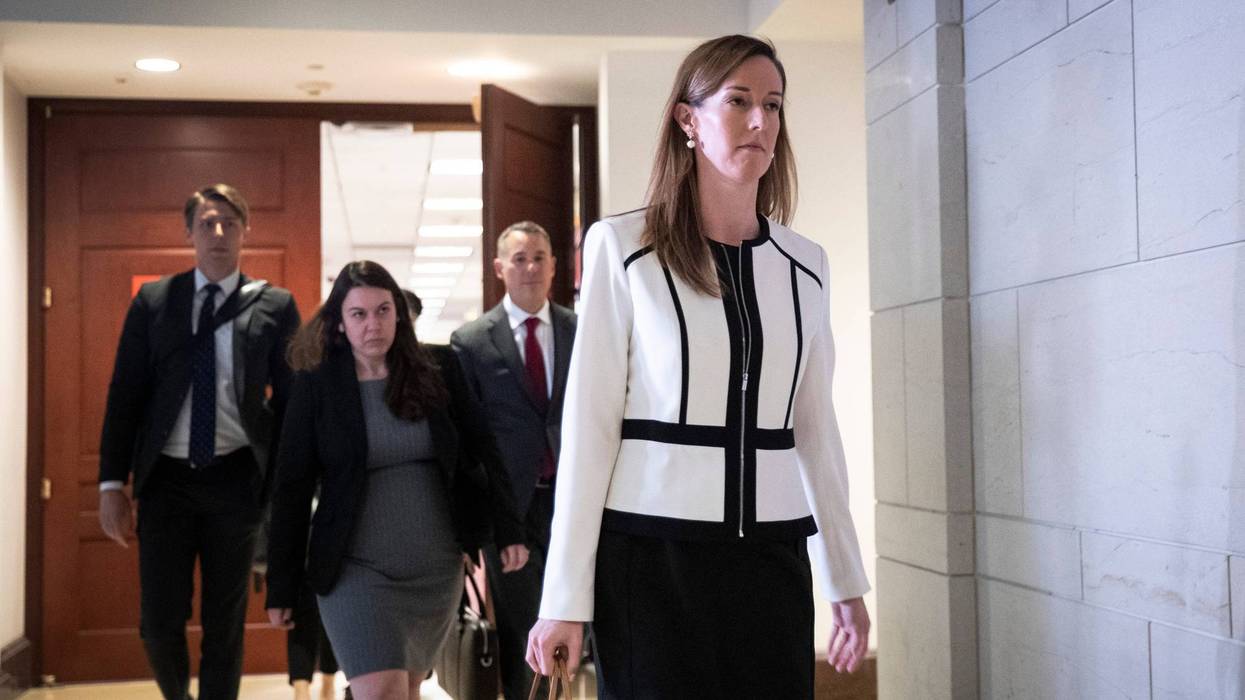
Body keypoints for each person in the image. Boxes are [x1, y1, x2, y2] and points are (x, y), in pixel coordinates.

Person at [526, 35, 872, 698]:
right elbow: (589, 427)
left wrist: (845, 582)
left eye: (772, 105)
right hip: (651, 565)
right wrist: (563, 596)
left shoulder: (805, 267)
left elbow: (816, 431)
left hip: (772, 561)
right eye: (738, 101)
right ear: (688, 120)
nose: (759, 121)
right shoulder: (623, 250)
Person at [265, 260, 530, 700]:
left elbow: (483, 452)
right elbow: (290, 488)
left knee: (404, 691)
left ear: (399, 314)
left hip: (434, 568)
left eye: (384, 310)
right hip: (355, 569)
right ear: (339, 323)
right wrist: (281, 584)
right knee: (382, 692)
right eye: (359, 314)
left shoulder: (438, 368)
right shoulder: (317, 386)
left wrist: (508, 532)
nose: (374, 325)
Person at [97, 183, 301, 700]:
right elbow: (126, 395)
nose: (218, 232)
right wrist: (109, 484)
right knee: (158, 620)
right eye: (208, 222)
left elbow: (294, 401)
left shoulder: (275, 305)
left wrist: (284, 480)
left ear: (245, 231)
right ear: (188, 231)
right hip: (165, 480)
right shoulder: (156, 301)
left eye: (230, 222)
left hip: (236, 479)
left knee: (224, 622)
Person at [450, 221, 576, 699]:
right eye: (519, 259)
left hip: (571, 504)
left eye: (539, 257)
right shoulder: (472, 342)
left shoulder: (578, 330)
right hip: (510, 514)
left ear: (553, 266)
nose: (530, 268)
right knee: (525, 632)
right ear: (499, 268)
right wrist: (485, 526)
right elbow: (470, 445)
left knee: (574, 624)